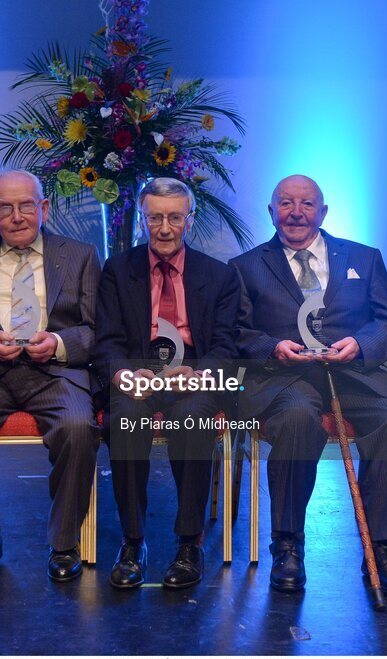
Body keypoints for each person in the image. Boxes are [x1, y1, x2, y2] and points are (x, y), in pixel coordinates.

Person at [231, 174, 387, 595]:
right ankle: (288, 543)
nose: (296, 212)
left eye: (307, 204)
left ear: (324, 211)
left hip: (354, 375)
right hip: (286, 379)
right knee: (297, 419)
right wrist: (273, 346)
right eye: (286, 203)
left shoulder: (364, 258)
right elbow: (235, 332)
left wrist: (361, 343)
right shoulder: (245, 267)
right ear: (271, 211)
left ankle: (384, 549)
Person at [0, 170, 100, 584]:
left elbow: (97, 328)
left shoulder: (80, 255)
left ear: (43, 208)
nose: (18, 216)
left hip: (55, 371)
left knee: (80, 428)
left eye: (27, 205)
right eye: (6, 207)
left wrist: (60, 343)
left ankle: (64, 541)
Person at [93, 177, 241, 590]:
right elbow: (106, 339)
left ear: (189, 220)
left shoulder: (219, 276)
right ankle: (133, 540)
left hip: (194, 376)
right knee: (124, 417)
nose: (163, 228)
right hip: (138, 375)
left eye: (174, 217)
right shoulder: (117, 271)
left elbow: (227, 345)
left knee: (193, 418)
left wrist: (199, 374)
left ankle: (189, 541)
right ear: (141, 219)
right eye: (154, 217)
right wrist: (124, 375)